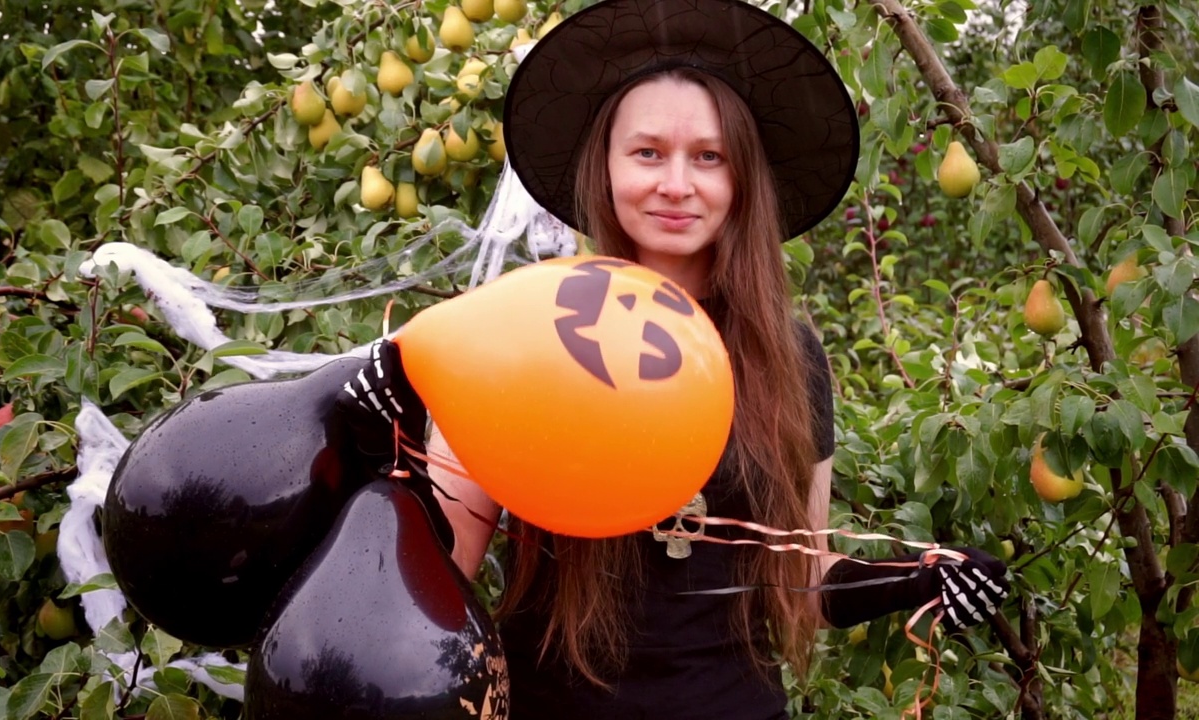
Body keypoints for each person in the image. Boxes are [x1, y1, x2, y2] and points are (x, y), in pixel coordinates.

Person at [339, 1, 1010, 718]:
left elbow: (800, 580)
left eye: (709, 157)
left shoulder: (789, 358)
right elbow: (446, 566)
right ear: (606, 165)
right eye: (648, 152)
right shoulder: (526, 331)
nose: (677, 185)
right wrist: (375, 440)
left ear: (741, 179)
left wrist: (916, 577)